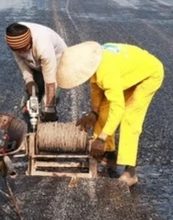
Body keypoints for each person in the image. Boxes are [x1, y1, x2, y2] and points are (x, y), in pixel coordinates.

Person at [56, 41, 164, 187]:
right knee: (102, 113)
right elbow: (96, 89)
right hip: (126, 73)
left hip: (149, 74)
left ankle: (131, 172)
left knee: (129, 118)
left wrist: (101, 139)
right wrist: (94, 112)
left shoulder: (106, 72)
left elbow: (118, 108)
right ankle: (109, 156)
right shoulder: (94, 63)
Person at [5, 22, 68, 122]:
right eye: (17, 50)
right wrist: (29, 80)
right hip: (37, 61)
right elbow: (21, 61)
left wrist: (49, 108)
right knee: (29, 101)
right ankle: (31, 127)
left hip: (57, 63)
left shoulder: (43, 45)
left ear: (31, 40)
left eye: (23, 49)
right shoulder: (14, 37)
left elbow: (50, 79)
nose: (21, 53)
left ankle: (48, 128)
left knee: (48, 102)